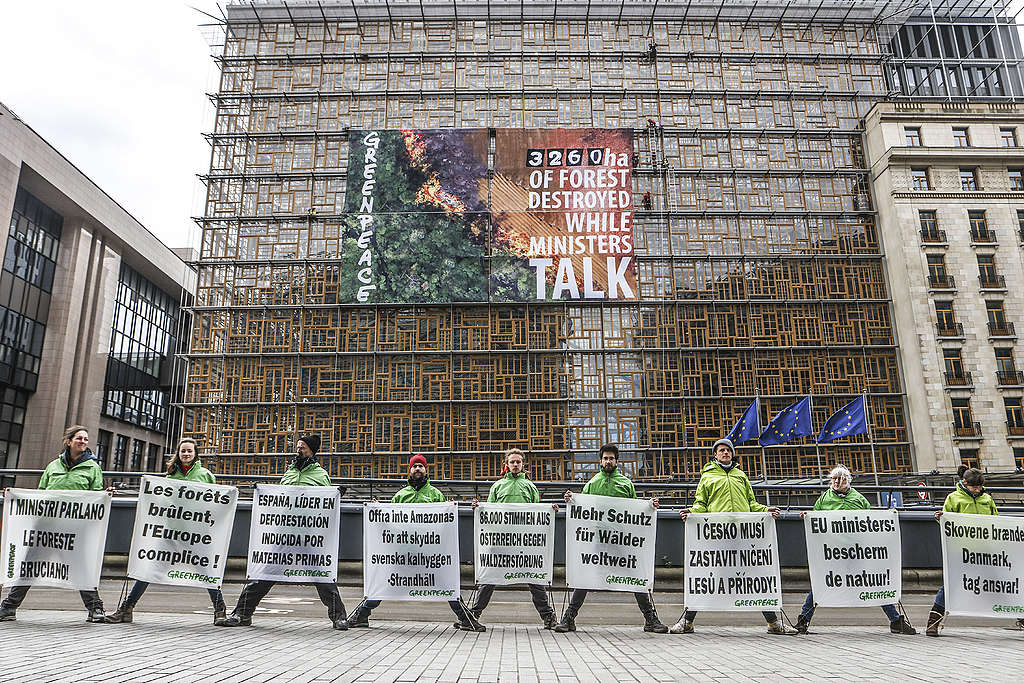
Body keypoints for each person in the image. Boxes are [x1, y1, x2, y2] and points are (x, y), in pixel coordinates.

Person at [218, 434, 349, 630]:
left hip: (308, 534)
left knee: (321, 575)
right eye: (298, 447)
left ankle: (339, 617)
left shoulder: (321, 476)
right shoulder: (289, 473)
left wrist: (336, 494)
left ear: (312, 451)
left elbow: (325, 504)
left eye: (303, 447)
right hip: (284, 532)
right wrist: (262, 492)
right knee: (265, 572)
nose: (299, 450)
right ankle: (242, 613)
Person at [343, 454, 484, 631]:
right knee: (384, 581)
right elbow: (391, 521)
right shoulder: (401, 496)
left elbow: (444, 524)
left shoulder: (435, 494)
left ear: (426, 470)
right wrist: (378, 509)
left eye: (421, 466)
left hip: (429, 553)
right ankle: (362, 615)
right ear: (409, 470)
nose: (417, 469)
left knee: (447, 583)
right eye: (414, 466)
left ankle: (465, 618)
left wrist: (449, 509)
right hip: (405, 551)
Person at [672, 438, 795, 635]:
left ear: (732, 454)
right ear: (715, 455)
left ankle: (773, 623)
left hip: (742, 534)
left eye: (728, 450)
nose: (725, 453)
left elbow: (750, 503)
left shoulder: (740, 475)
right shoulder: (707, 476)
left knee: (754, 576)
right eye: (721, 450)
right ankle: (687, 621)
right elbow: (701, 503)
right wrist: (692, 513)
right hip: (717, 535)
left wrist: (765, 510)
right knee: (708, 575)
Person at [106, 438, 227, 625]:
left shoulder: (205, 475)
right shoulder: (170, 477)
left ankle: (220, 610)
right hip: (171, 531)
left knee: (206, 570)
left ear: (195, 454)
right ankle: (127, 608)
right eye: (183, 451)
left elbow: (215, 501)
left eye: (189, 451)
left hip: (196, 534)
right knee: (148, 567)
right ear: (178, 454)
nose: (186, 454)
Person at [553, 444, 668, 634]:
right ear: (600, 461)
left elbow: (635, 510)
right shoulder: (592, 483)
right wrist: (571, 500)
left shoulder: (625, 484)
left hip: (621, 538)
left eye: (611, 458)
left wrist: (649, 506)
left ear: (616, 461)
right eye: (605, 458)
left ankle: (650, 619)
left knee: (635, 576)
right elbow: (583, 510)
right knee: (584, 578)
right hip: (598, 539)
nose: (608, 461)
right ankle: (569, 618)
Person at [0, 426, 110, 623]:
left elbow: (96, 496)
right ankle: (9, 607)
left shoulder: (93, 468)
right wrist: (14, 497)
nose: (83, 442)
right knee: (29, 566)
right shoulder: (53, 466)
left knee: (81, 567)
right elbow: (40, 493)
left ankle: (95, 609)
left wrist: (106, 495)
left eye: (85, 439)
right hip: (47, 526)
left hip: (73, 529)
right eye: (79, 438)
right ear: (68, 442)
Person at [793, 465, 915, 635]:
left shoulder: (858, 499)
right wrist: (807, 517)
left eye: (840, 478)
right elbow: (816, 519)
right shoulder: (823, 499)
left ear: (848, 480)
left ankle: (896, 621)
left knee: (873, 582)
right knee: (821, 584)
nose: (836, 482)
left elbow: (869, 522)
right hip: (833, 552)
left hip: (856, 551)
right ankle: (803, 620)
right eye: (834, 478)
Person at [466, 448, 558, 629]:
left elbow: (536, 514)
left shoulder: (530, 487)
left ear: (523, 465)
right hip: (501, 540)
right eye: (512, 462)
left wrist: (549, 511)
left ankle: (548, 617)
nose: (515, 465)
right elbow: (489, 512)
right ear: (506, 465)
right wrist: (479, 507)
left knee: (534, 577)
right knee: (489, 576)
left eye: (518, 462)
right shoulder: (497, 486)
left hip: (525, 542)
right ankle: (473, 615)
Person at [926, 465, 1002, 636]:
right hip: (962, 551)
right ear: (964, 483)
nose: (976, 490)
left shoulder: (987, 500)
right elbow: (948, 523)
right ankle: (934, 621)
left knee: (1001, 583)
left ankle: (1019, 614)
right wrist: (941, 518)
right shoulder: (953, 498)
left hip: (984, 550)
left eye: (979, 487)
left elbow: (996, 522)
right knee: (951, 586)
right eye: (974, 487)